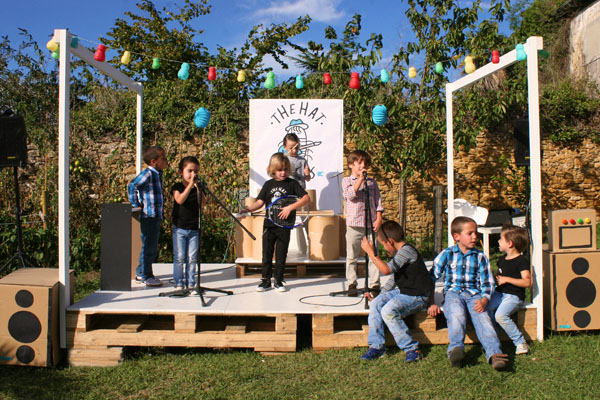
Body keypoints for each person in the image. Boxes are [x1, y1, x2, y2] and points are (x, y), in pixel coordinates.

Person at [428, 216, 509, 370]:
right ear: (456, 237)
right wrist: (431, 301)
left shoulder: (480, 257)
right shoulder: (447, 254)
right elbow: (431, 278)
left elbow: (487, 282)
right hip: (453, 293)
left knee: (483, 317)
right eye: (470, 233)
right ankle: (456, 350)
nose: (474, 236)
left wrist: (485, 299)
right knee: (456, 314)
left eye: (475, 233)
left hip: (475, 295)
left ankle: (494, 354)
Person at [359, 221, 433, 362]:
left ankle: (412, 349)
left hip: (418, 295)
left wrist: (371, 253)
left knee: (388, 311)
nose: (383, 249)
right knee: (377, 304)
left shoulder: (407, 251)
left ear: (390, 242)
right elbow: (394, 279)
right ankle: (377, 346)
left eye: (383, 245)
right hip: (405, 292)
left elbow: (386, 270)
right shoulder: (401, 253)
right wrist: (379, 296)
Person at [240, 153, 310, 292]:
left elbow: (306, 198)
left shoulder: (292, 184)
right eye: (279, 170)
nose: (282, 173)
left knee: (281, 254)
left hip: (284, 225)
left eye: (285, 169)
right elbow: (260, 202)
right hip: (269, 225)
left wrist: (290, 207)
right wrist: (247, 209)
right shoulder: (268, 184)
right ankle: (265, 281)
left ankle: (278, 280)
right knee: (266, 253)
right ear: (273, 170)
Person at [342, 150, 383, 296]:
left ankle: (375, 284)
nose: (362, 165)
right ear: (351, 165)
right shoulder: (347, 181)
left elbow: (378, 201)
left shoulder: (372, 182)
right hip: (354, 224)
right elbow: (350, 195)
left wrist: (378, 218)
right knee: (352, 256)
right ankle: (352, 283)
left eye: (365, 163)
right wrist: (360, 179)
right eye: (359, 162)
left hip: (370, 224)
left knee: (373, 255)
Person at [127, 145, 168, 287]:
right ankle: (146, 275)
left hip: (156, 216)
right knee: (149, 247)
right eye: (163, 158)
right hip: (149, 216)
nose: (166, 161)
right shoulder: (148, 174)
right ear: (153, 162)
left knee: (150, 245)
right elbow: (132, 185)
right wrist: (136, 203)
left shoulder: (157, 174)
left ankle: (140, 273)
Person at [487, 224, 531, 355]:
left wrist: (507, 279)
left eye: (501, 239)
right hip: (499, 293)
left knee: (500, 315)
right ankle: (494, 339)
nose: (498, 241)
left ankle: (520, 342)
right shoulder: (501, 260)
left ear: (510, 243)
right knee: (485, 309)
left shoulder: (521, 261)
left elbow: (527, 282)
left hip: (514, 296)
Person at [171, 156, 204, 294]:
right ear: (181, 172)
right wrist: (190, 185)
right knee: (180, 257)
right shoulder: (177, 187)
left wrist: (197, 189)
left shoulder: (198, 187)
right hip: (179, 228)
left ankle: (191, 283)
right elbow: (179, 200)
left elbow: (201, 204)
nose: (193, 174)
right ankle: (179, 283)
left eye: (195, 171)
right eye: (189, 171)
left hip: (194, 228)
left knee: (192, 257)